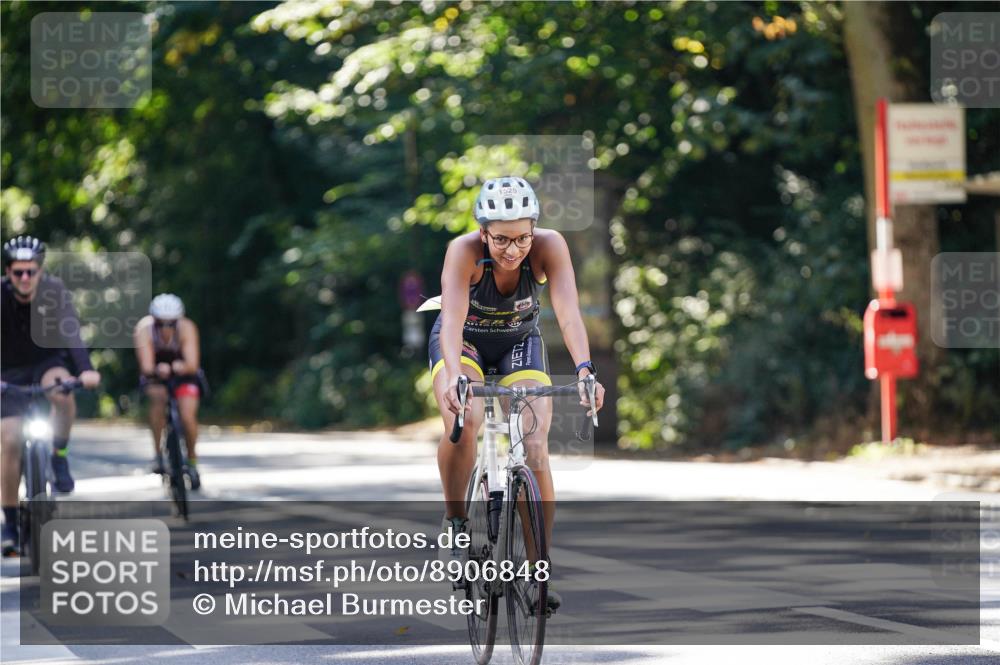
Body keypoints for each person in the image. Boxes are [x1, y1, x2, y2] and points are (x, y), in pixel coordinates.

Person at [430, 176, 606, 610]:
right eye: (502, 239)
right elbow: (451, 319)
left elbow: (568, 313)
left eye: (523, 237)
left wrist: (585, 369)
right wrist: (454, 374)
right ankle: (456, 526)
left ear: (535, 229)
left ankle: (536, 568)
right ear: (483, 231)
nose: (513, 250)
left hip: (518, 342)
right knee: (465, 419)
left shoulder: (550, 246)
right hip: (464, 342)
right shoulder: (463, 251)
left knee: (535, 442)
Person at [1, 235, 101, 557]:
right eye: (18, 273)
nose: (25, 278)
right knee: (10, 438)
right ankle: (11, 522)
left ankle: (58, 455)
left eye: (31, 271)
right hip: (8, 372)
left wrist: (85, 369)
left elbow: (71, 332)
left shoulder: (54, 292)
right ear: (8, 272)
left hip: (47, 362)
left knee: (62, 391)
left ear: (41, 271)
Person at [133, 293, 203, 490]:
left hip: (184, 376)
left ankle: (192, 461)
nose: (166, 328)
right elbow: (146, 366)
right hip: (156, 375)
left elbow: (192, 363)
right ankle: (158, 455)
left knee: (188, 416)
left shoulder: (187, 328)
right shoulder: (144, 329)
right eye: (161, 324)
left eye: (171, 323)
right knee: (158, 399)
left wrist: (180, 367)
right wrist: (157, 370)